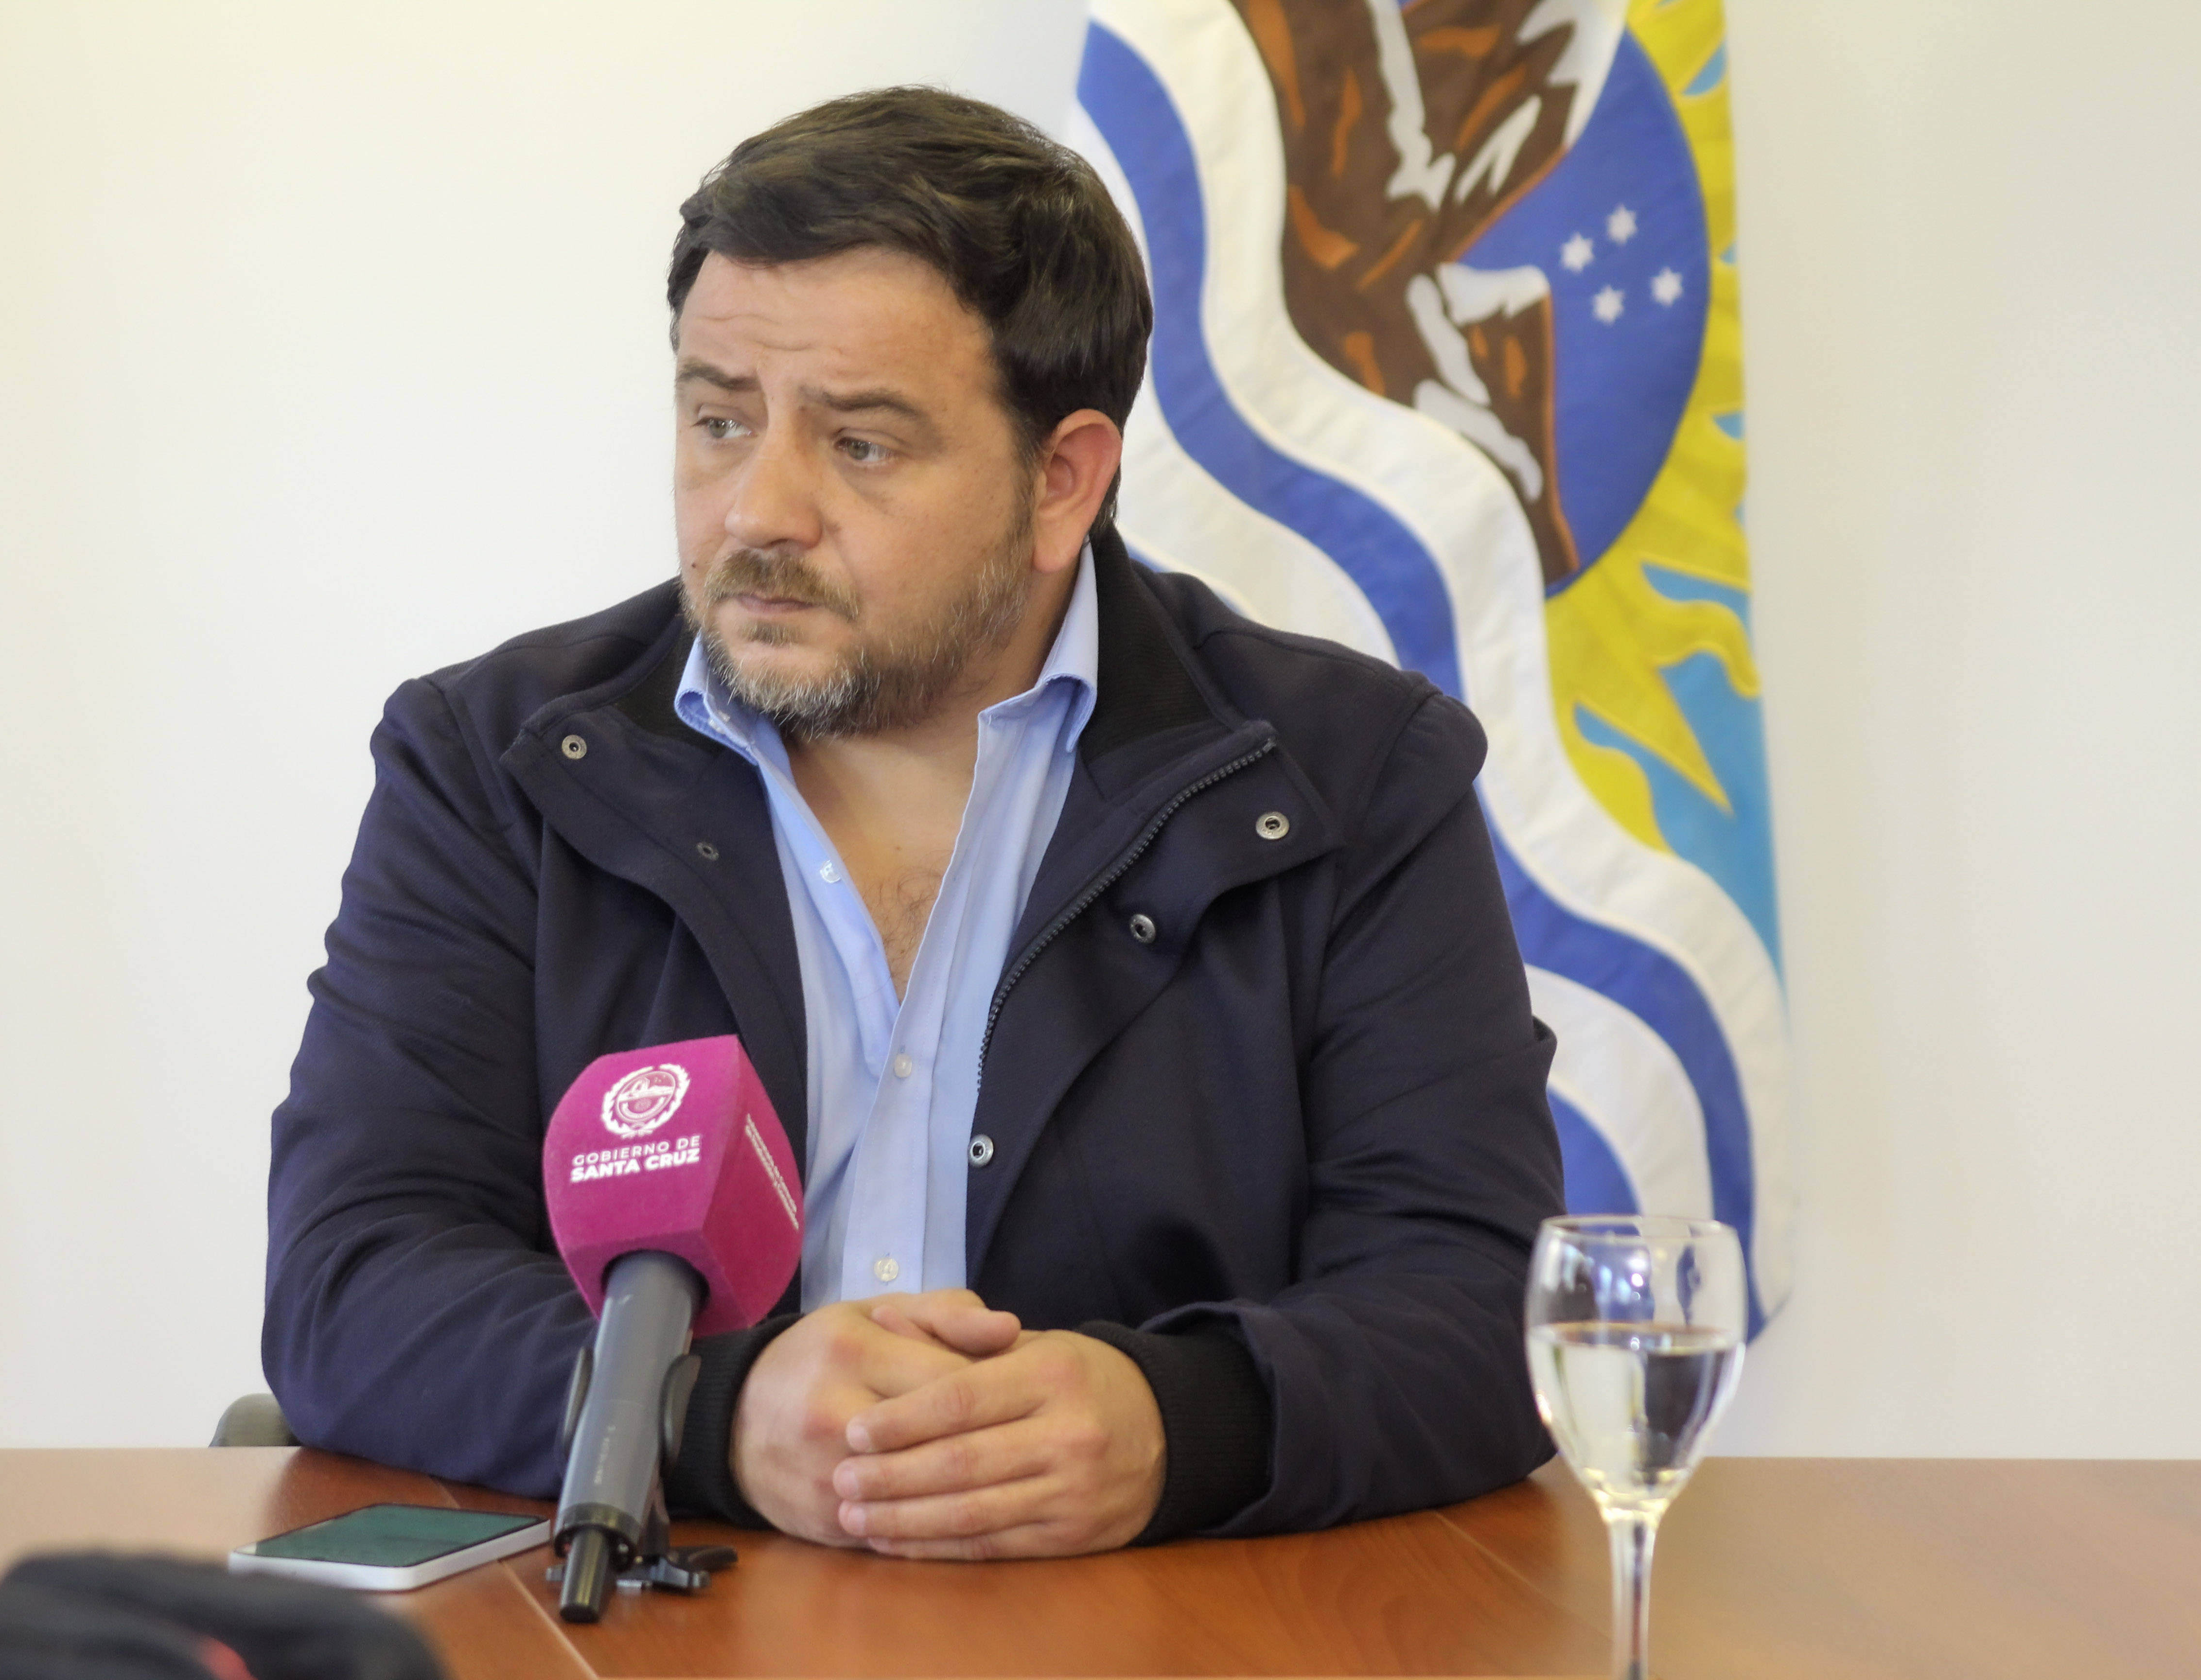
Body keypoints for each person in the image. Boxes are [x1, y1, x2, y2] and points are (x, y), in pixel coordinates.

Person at [264, 87, 1562, 1560]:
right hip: (658, 1614)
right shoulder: (496, 765)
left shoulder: (1347, 779)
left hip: (1155, 1622)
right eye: (718, 421)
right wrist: (702, 1413)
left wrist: (1178, 1423)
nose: (757, 510)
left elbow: (1484, 1304)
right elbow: (350, 1284)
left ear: (1062, 481)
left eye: (862, 446)